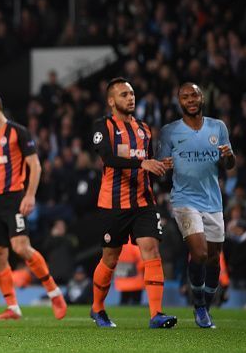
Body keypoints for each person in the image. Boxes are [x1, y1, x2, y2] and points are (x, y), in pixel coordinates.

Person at [0, 91, 67, 321]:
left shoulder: (18, 132)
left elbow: (35, 166)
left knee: (21, 247)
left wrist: (30, 195)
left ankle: (54, 293)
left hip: (14, 197)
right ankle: (13, 308)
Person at [90, 77, 176, 329]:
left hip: (143, 201)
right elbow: (107, 157)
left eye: (132, 94)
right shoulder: (102, 126)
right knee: (110, 258)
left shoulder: (144, 129)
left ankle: (156, 314)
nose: (130, 98)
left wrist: (158, 165)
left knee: (151, 249)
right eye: (124, 94)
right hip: (113, 204)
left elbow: (145, 161)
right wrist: (143, 163)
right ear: (111, 100)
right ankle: (98, 308)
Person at [158, 83, 236, 328]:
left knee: (213, 259)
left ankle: (206, 306)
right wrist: (164, 166)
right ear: (179, 101)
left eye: (194, 95)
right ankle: (199, 305)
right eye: (185, 96)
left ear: (202, 98)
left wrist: (228, 157)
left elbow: (229, 164)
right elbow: (159, 166)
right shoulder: (169, 131)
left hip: (213, 201)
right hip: (184, 200)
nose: (190, 99)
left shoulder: (218, 127)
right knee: (200, 253)